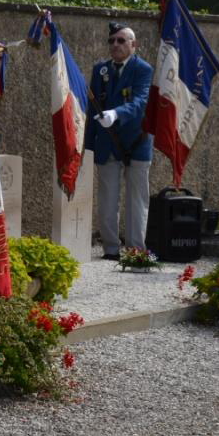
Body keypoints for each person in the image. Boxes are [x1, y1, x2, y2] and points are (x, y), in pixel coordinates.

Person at [84, 21, 154, 259]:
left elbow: (140, 102)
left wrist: (116, 114)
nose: (115, 44)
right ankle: (111, 249)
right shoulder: (100, 70)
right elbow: (92, 108)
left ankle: (135, 250)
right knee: (107, 200)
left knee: (137, 201)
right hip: (107, 143)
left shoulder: (142, 69)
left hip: (136, 141)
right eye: (111, 41)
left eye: (121, 40)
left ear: (133, 45)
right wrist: (88, 147)